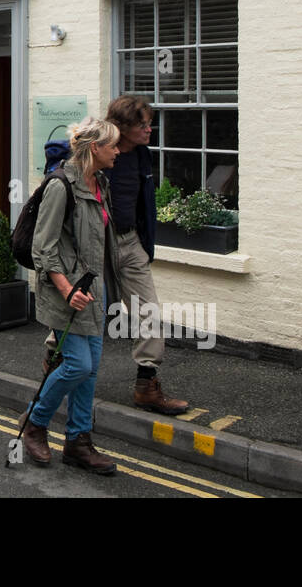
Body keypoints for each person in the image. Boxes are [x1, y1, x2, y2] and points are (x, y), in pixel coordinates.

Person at [20, 117, 120, 475]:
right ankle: (36, 422)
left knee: (89, 374)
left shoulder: (100, 183)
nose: (118, 151)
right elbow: (42, 249)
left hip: (94, 292)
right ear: (96, 148)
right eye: (113, 145)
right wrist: (67, 289)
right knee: (79, 365)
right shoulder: (60, 186)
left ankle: (78, 443)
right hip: (65, 293)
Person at [104, 95, 190, 416]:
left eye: (148, 123)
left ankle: (146, 386)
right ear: (122, 127)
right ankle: (54, 364)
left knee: (149, 312)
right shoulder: (96, 152)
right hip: (95, 245)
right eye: (142, 125)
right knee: (79, 311)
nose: (149, 130)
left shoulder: (141, 154)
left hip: (130, 243)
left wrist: (143, 241)